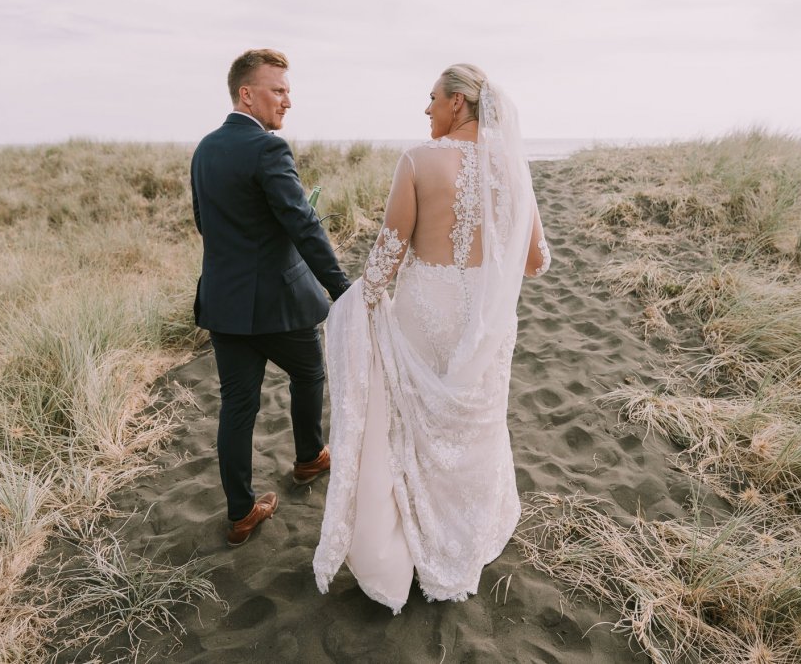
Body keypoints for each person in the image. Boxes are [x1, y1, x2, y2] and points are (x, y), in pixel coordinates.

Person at [313, 64, 551, 612]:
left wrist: (356, 304)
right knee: (478, 424)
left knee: (416, 426)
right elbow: (536, 261)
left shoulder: (418, 162)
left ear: (459, 103)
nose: (426, 110)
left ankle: (419, 542)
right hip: (487, 324)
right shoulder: (513, 168)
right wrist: (489, 274)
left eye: (432, 99)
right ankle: (470, 535)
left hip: (426, 312)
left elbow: (387, 258)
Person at [191, 49, 351, 546]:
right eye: (278, 90)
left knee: (237, 405)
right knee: (310, 372)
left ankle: (240, 512)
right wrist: (341, 287)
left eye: (287, 90)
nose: (288, 100)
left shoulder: (204, 149)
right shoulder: (268, 150)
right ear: (247, 93)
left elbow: (206, 223)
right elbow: (301, 223)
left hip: (224, 301)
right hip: (278, 305)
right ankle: (308, 459)